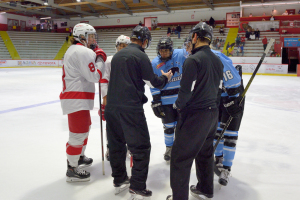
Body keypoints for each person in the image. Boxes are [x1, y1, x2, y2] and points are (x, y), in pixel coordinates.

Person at [105, 25, 173, 199]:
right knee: (141, 147)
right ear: (144, 41)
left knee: (116, 145)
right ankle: (137, 186)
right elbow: (154, 81)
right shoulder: (140, 55)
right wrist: (165, 77)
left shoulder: (118, 55)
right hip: (130, 108)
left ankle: (119, 180)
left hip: (112, 108)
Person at [166, 22, 223, 200]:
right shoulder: (217, 60)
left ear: (195, 37)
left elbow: (185, 92)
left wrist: (178, 106)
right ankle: (206, 189)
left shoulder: (193, 60)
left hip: (195, 117)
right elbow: (219, 89)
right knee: (205, 153)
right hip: (212, 114)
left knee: (180, 159)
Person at [60, 23, 107, 182]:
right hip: (76, 99)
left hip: (78, 98)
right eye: (90, 36)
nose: (93, 39)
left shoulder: (75, 50)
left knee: (84, 128)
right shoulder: (82, 51)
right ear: (81, 36)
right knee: (78, 133)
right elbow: (95, 76)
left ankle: (78, 157)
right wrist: (100, 57)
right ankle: (72, 169)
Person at [211, 51, 245, 187]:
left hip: (233, 96)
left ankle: (226, 169)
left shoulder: (215, 58)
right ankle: (218, 160)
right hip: (218, 97)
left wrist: (232, 102)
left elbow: (234, 83)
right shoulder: (196, 58)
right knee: (217, 131)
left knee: (230, 134)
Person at [150, 37, 187, 162]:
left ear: (171, 50)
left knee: (181, 127)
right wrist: (156, 101)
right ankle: (169, 148)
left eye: (166, 50)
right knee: (168, 127)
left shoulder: (181, 55)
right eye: (161, 50)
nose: (163, 53)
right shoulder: (155, 63)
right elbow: (153, 83)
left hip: (181, 100)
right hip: (166, 101)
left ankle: (180, 148)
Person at [100, 35, 131, 161]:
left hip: (128, 99)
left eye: (125, 46)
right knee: (112, 125)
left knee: (127, 123)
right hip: (113, 99)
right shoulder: (109, 61)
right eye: (120, 46)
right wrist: (105, 97)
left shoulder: (131, 60)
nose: (122, 48)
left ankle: (128, 145)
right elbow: (104, 80)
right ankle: (111, 147)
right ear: (116, 47)